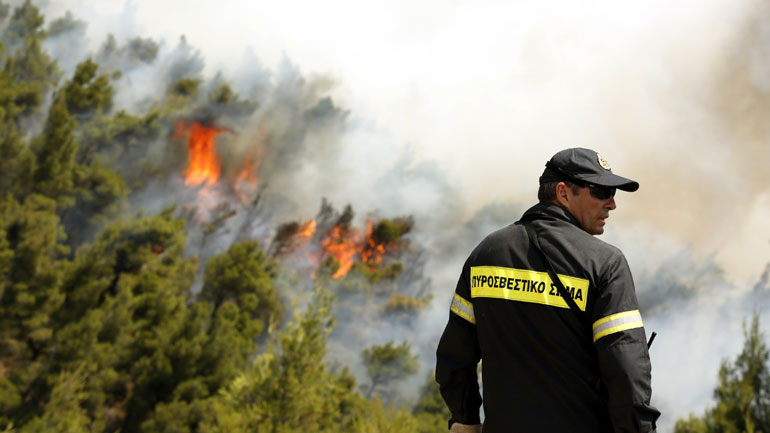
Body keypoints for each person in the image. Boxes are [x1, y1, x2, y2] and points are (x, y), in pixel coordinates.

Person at [435, 148, 661, 433]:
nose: (612, 204)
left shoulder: (486, 253)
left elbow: (453, 359)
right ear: (564, 193)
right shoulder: (606, 264)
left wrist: (465, 419)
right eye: (601, 192)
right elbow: (626, 372)